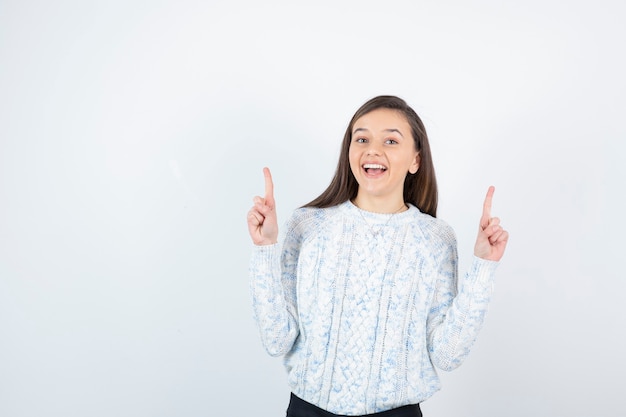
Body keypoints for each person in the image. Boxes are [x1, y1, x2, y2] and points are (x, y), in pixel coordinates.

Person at [246, 95, 509, 417]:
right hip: (309, 410)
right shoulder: (307, 225)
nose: (373, 149)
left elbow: (447, 354)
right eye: (362, 138)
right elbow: (276, 340)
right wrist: (265, 248)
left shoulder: (435, 239)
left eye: (390, 140)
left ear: (415, 160)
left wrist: (484, 266)